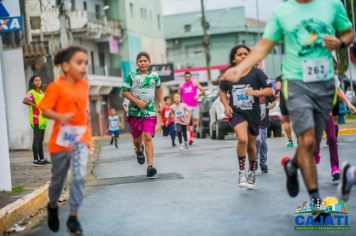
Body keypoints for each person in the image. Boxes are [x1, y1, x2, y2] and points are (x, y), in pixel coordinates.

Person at [220, 0, 353, 208]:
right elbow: (264, 45)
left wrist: (340, 42)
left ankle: (292, 166)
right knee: (306, 140)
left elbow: (347, 32)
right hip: (295, 83)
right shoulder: (282, 11)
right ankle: (315, 199)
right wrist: (240, 68)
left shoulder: (333, 4)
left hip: (324, 83)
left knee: (314, 142)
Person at [38, 46, 92, 234]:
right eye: (80, 62)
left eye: (86, 62)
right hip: (60, 142)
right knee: (58, 182)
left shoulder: (84, 85)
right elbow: (44, 110)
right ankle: (52, 206)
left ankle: (73, 217)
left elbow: (83, 112)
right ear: (66, 66)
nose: (84, 66)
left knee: (79, 176)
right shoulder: (56, 87)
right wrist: (60, 117)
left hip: (80, 139)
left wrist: (87, 135)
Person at [220, 45, 273, 189]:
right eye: (239, 54)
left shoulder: (257, 73)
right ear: (233, 58)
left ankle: (252, 171)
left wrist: (256, 93)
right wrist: (226, 106)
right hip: (237, 113)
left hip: (253, 114)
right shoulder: (230, 73)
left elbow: (270, 89)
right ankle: (241, 172)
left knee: (251, 145)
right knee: (242, 139)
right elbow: (222, 92)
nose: (243, 56)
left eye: (246, 54)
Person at [122, 52, 162, 177]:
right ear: (137, 63)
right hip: (135, 111)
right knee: (137, 140)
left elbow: (159, 88)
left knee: (148, 137)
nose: (143, 63)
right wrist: (137, 102)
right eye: (140, 61)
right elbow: (124, 92)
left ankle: (150, 166)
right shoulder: (131, 76)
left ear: (149, 62)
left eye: (145, 60)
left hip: (149, 111)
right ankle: (139, 151)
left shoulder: (155, 76)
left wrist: (159, 102)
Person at [23, 75, 50, 166]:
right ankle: (35, 160)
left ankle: (41, 159)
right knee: (37, 139)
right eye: (36, 80)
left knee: (41, 139)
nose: (39, 82)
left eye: (39, 80)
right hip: (36, 119)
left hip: (43, 119)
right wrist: (35, 105)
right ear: (32, 83)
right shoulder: (32, 92)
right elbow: (25, 100)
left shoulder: (41, 92)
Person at [179, 71, 205, 145]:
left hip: (195, 105)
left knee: (195, 123)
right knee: (187, 122)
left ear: (191, 77)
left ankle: (192, 134)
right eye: (186, 77)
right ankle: (189, 138)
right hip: (186, 106)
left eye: (189, 77)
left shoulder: (195, 83)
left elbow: (203, 91)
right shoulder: (181, 85)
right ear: (184, 77)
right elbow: (178, 95)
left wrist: (198, 95)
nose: (187, 78)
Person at [256, 95, 276, 173]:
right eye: (260, 97)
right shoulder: (253, 95)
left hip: (264, 124)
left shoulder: (268, 92)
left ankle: (263, 163)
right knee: (258, 141)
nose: (262, 98)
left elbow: (274, 101)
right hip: (254, 124)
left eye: (264, 97)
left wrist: (272, 105)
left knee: (263, 144)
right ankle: (254, 161)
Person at [275, 76, 294, 147]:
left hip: (284, 102)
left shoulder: (280, 77)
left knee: (286, 121)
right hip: (295, 100)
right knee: (297, 120)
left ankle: (290, 141)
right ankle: (299, 139)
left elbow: (278, 87)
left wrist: (276, 92)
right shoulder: (296, 75)